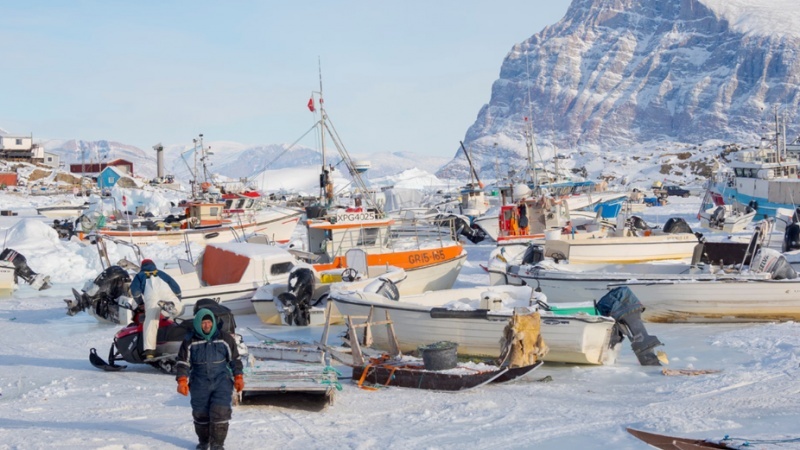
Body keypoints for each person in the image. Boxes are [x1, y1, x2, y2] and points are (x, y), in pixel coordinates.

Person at [176, 309, 244, 450]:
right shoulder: (189, 340)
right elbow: (183, 362)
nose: (207, 325)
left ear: (213, 322)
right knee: (200, 414)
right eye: (203, 323)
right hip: (199, 382)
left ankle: (217, 445)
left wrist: (238, 376)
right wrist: (182, 380)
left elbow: (235, 359)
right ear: (197, 323)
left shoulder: (225, 338)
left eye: (209, 322)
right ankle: (204, 442)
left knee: (221, 411)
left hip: (221, 381)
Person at [129, 259, 182, 360]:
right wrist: (178, 297)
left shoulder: (140, 275)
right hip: (166, 293)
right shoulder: (161, 273)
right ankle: (172, 306)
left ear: (142, 267)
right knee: (178, 309)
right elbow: (174, 285)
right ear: (153, 265)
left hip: (151, 296)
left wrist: (140, 302)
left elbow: (135, 291)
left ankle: (150, 351)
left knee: (151, 321)